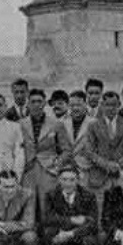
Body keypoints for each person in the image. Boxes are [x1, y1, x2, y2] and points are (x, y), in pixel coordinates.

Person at [83, 91, 123, 220]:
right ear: (101, 105)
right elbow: (89, 151)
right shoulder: (93, 125)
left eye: (114, 105)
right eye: (107, 105)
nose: (110, 108)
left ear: (119, 105)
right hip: (99, 176)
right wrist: (106, 164)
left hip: (122, 176)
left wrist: (120, 164)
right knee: (99, 212)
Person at [20, 89, 72, 221]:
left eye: (39, 101)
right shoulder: (20, 124)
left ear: (44, 103)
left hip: (49, 171)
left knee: (47, 208)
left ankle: (48, 238)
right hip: (27, 170)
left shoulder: (56, 124)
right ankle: (30, 238)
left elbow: (67, 150)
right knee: (28, 207)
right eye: (33, 102)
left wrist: (57, 165)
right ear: (28, 104)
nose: (36, 104)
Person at [44, 165, 99, 245]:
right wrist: (71, 220)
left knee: (89, 237)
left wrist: (71, 234)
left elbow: (92, 221)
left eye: (72, 180)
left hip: (77, 232)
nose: (68, 183)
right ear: (59, 180)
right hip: (60, 230)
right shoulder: (50, 195)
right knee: (48, 232)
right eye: (64, 179)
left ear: (78, 180)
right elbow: (48, 218)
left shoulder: (89, 195)